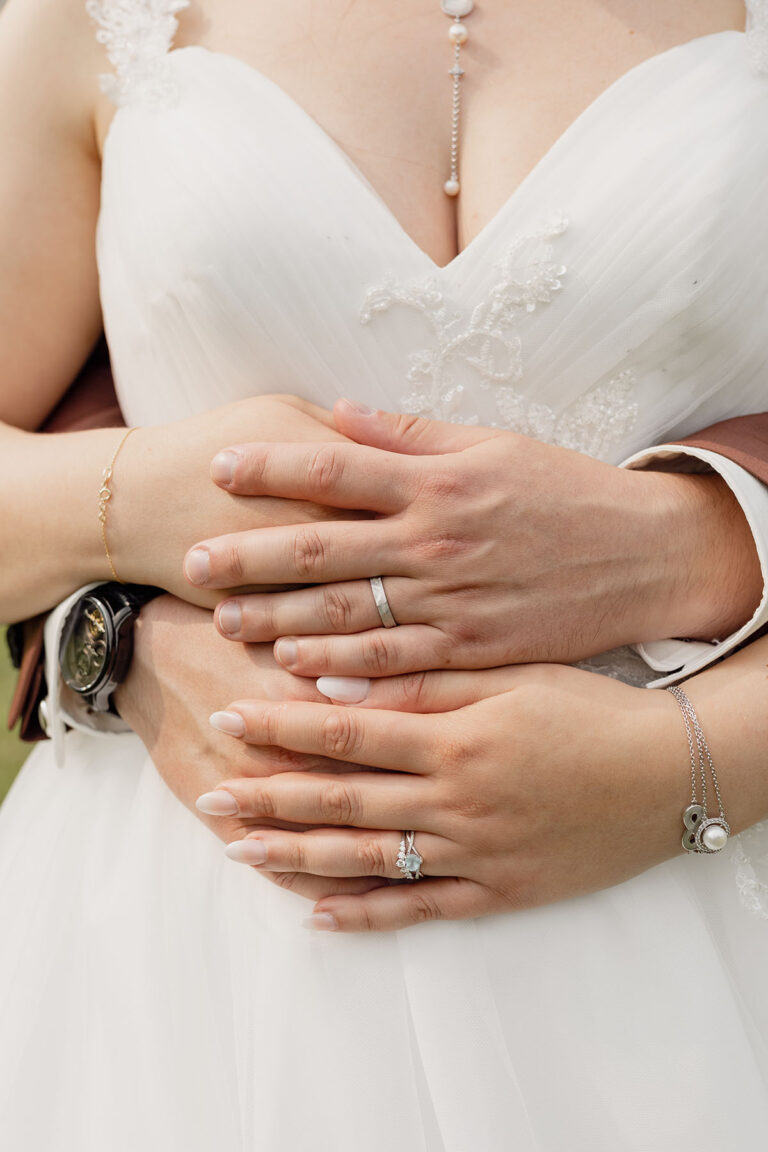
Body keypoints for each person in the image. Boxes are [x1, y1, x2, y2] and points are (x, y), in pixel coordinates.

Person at [1, 0, 768, 1148]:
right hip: (185, 934)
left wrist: (687, 761)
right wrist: (140, 508)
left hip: (697, 902)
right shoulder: (96, 17)